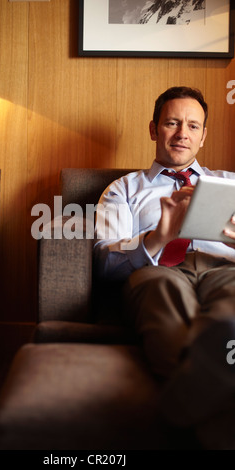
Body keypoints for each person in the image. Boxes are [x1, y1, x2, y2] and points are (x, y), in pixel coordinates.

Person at [93, 86, 235, 448]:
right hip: (159, 269)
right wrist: (158, 236)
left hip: (225, 267)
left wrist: (230, 238)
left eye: (192, 126)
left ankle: (184, 404)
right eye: (172, 123)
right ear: (154, 129)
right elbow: (105, 262)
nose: (182, 133)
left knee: (229, 307)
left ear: (203, 136)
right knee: (163, 291)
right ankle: (204, 405)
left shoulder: (231, 185)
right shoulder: (122, 190)